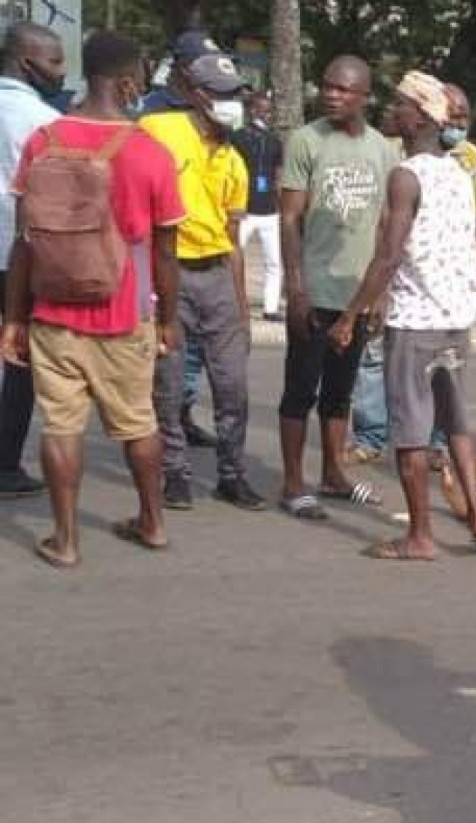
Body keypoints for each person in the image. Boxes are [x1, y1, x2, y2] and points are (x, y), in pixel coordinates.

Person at [0, 31, 184, 568]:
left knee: (61, 427)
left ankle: (65, 540)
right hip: (124, 315)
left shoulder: (43, 141)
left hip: (53, 312)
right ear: (128, 82)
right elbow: (166, 251)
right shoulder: (151, 152)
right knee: (138, 423)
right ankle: (152, 522)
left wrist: (14, 318)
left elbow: (24, 241)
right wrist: (167, 320)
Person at [329, 70, 476, 560]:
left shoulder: (407, 175)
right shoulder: (459, 172)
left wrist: (350, 315)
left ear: (421, 117)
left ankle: (420, 536)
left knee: (410, 432)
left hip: (416, 322)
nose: (391, 111)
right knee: (455, 420)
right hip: (455, 319)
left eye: (400, 104)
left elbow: (388, 255)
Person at [141, 51, 266, 512]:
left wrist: (242, 309)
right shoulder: (159, 130)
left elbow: (232, 240)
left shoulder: (234, 159)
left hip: (216, 275)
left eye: (237, 95)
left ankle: (231, 473)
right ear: (196, 94)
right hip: (168, 271)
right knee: (170, 383)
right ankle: (174, 471)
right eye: (221, 94)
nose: (233, 104)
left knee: (232, 385)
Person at [274, 56, 397, 521]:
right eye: (327, 86)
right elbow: (289, 219)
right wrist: (295, 287)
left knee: (340, 392)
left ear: (365, 96)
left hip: (357, 296)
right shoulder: (306, 141)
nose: (331, 95)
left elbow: (387, 227)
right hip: (315, 289)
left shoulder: (383, 150)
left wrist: (380, 293)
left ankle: (333, 473)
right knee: (300, 390)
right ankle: (292, 481)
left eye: (343, 89)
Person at [144, 30, 221, 452]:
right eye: (197, 65)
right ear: (179, 68)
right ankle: (161, 429)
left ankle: (182, 414)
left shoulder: (209, 110)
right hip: (162, 247)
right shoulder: (152, 113)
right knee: (166, 343)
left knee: (192, 351)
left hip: (205, 246)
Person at [0, 22, 63, 500]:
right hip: (17, 253)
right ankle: (5, 464)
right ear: (27, 62)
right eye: (54, 62)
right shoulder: (44, 121)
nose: (60, 72)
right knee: (19, 354)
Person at [230, 92, 283, 321]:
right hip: (244, 209)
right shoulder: (237, 138)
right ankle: (233, 303)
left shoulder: (274, 141)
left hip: (269, 210)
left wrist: (281, 205)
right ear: (251, 110)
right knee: (233, 256)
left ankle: (271, 308)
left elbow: (278, 175)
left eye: (269, 109)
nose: (267, 114)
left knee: (274, 262)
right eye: (263, 109)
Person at [441, 83, 476, 278]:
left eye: (466, 118)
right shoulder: (400, 152)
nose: (462, 125)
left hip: (453, 267)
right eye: (455, 117)